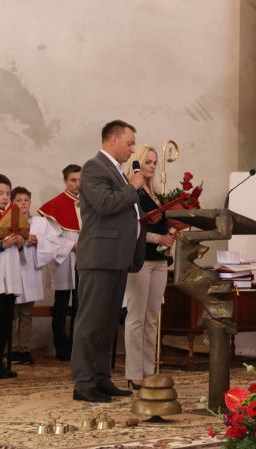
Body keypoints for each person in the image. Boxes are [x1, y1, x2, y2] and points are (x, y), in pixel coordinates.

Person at [71, 120, 146, 403]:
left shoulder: (116, 171)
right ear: (113, 139)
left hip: (117, 257)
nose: (133, 149)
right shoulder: (93, 167)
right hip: (99, 257)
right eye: (129, 143)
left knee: (107, 323)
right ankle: (83, 383)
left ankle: (101, 378)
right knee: (90, 323)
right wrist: (133, 187)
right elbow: (104, 204)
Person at [123, 145, 176, 390]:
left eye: (155, 162)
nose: (153, 166)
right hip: (140, 259)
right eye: (148, 162)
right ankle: (134, 373)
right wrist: (159, 238)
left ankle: (148, 370)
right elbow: (131, 227)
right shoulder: (131, 190)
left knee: (152, 317)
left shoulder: (155, 193)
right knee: (137, 317)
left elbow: (161, 223)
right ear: (137, 162)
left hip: (159, 260)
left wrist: (172, 230)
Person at [11, 187, 65, 365]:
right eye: (19, 200)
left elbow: (54, 243)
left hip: (31, 273)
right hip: (13, 273)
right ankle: (9, 349)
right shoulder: (7, 222)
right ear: (12, 203)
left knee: (26, 313)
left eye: (26, 200)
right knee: (11, 314)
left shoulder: (40, 223)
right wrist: (23, 241)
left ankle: (23, 348)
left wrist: (38, 241)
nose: (23, 203)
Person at [38, 164, 81, 361]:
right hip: (64, 258)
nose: (77, 184)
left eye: (80, 180)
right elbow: (49, 237)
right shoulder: (55, 204)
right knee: (61, 303)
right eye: (73, 180)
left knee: (81, 303)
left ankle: (78, 345)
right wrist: (71, 246)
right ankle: (61, 347)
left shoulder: (90, 203)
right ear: (65, 181)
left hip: (85, 258)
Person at [0, 174, 23, 379]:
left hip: (9, 278)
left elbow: (19, 246)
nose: (5, 197)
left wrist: (20, 243)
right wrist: (1, 245)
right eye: (0, 193)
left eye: (8, 193)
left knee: (4, 322)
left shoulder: (14, 216)